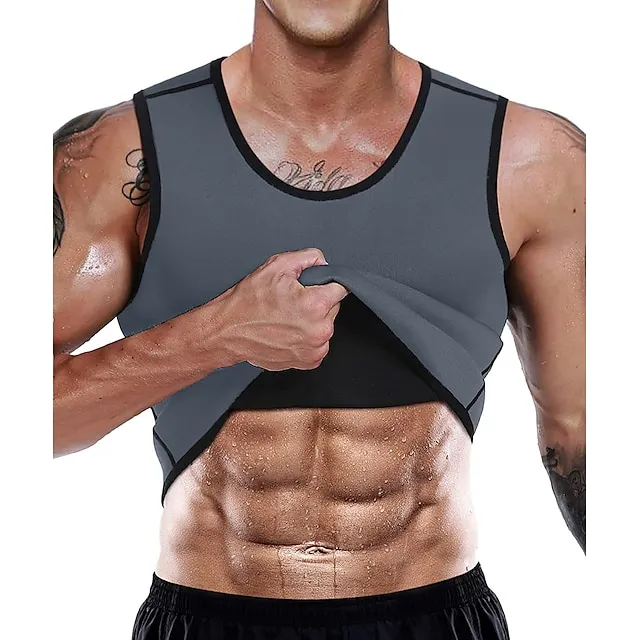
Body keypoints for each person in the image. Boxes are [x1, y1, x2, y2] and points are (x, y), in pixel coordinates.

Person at [53, 1, 585, 638]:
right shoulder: (120, 156)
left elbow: (581, 434)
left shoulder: (532, 159)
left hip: (433, 617)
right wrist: (216, 335)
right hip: (208, 615)